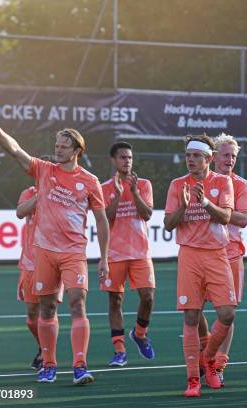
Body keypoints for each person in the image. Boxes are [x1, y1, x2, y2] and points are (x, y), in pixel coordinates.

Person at [0, 102, 110, 385]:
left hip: (74, 252)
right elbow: (14, 150)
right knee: (47, 309)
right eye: (57, 145)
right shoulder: (44, 170)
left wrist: (105, 259)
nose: (57, 149)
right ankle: (49, 364)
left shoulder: (90, 181)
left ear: (77, 151)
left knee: (77, 303)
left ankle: (80, 366)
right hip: (44, 252)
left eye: (63, 146)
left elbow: (101, 221)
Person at [164, 134, 237, 397]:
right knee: (191, 316)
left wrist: (205, 201)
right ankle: (193, 379)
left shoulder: (222, 182)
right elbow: (169, 225)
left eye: (196, 156)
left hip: (217, 254)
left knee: (227, 314)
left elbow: (227, 217)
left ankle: (208, 359)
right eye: (187, 155)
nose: (190, 160)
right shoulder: (176, 185)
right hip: (189, 255)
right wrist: (183, 207)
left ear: (208, 158)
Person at [197, 133, 247, 386]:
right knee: (194, 310)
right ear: (213, 156)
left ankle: (218, 363)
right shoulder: (199, 180)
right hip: (199, 252)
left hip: (230, 254)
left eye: (233, 156)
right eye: (225, 154)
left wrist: (213, 209)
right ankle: (207, 346)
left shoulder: (242, 185)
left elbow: (242, 219)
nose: (230, 159)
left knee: (227, 314)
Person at [101, 142, 155, 367]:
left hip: (140, 252)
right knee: (115, 300)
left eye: (130, 157)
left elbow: (148, 214)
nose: (127, 161)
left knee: (148, 296)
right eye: (123, 157)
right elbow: (105, 218)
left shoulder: (143, 184)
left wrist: (133, 193)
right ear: (114, 160)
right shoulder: (103, 187)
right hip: (114, 253)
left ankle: (140, 334)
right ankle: (119, 350)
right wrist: (118, 195)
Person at [16, 186, 42, 371]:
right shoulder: (28, 192)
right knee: (32, 317)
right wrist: (40, 195)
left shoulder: (63, 193)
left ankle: (48, 356)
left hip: (51, 260)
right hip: (29, 263)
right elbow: (20, 213)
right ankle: (43, 346)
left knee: (48, 312)